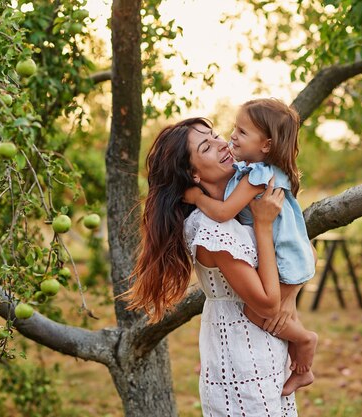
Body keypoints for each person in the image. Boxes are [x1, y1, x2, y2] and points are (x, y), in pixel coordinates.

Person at [124, 118, 298, 416]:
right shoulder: (211, 230)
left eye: (216, 135)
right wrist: (264, 225)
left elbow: (293, 254)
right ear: (193, 174)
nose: (221, 143)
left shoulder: (239, 212)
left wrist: (291, 297)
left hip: (266, 355)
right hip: (243, 363)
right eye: (206, 146)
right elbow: (268, 304)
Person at [184, 98, 318, 393]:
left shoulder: (259, 175)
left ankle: (306, 343)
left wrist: (195, 197)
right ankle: (300, 365)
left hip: (285, 262)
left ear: (266, 145)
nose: (230, 138)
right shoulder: (252, 170)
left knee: (260, 313)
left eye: (241, 132)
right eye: (233, 129)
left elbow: (223, 212)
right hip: (289, 261)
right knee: (283, 313)